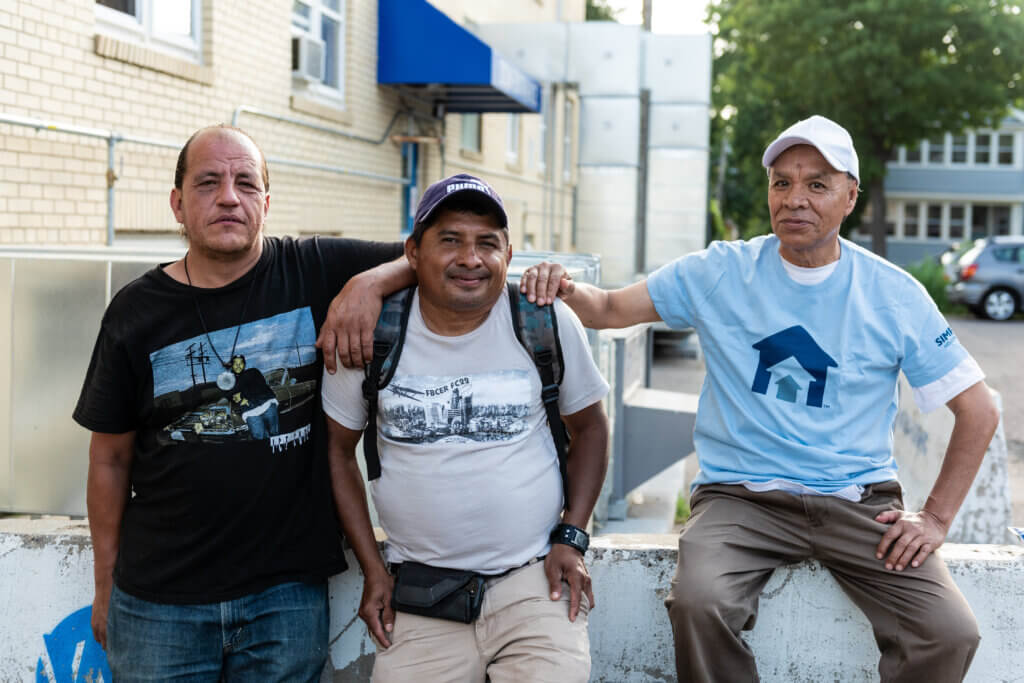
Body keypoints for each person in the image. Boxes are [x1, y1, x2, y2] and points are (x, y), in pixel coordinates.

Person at [521, 115, 1000, 682]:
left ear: (850, 197)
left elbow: (979, 409)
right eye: (782, 182)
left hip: (858, 500)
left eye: (817, 184)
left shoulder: (893, 294)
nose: (795, 199)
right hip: (740, 498)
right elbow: (607, 309)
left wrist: (937, 518)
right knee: (700, 604)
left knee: (949, 632)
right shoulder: (721, 272)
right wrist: (557, 282)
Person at [73, 124, 412, 680]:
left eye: (245, 184)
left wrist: (367, 284)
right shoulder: (134, 312)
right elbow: (108, 458)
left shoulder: (314, 268)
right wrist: (103, 581)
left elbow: (432, 252)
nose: (229, 196)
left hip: (285, 600)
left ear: (267, 203)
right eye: (208, 182)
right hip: (159, 604)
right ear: (178, 205)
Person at [321, 173, 610, 683]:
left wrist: (573, 534)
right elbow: (340, 454)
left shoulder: (544, 322)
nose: (470, 259)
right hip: (419, 597)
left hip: (536, 585)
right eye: (450, 240)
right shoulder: (370, 335)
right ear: (413, 252)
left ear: (508, 253)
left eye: (487, 243)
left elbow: (589, 428)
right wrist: (372, 568)